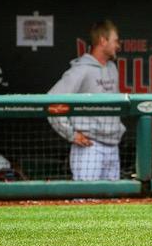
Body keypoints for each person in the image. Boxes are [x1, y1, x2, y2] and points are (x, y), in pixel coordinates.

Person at [47, 20, 125, 181]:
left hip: (113, 145)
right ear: (103, 40)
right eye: (115, 40)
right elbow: (51, 101)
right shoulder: (81, 69)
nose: (118, 45)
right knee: (86, 201)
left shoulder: (112, 68)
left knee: (113, 203)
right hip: (90, 147)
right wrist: (71, 134)